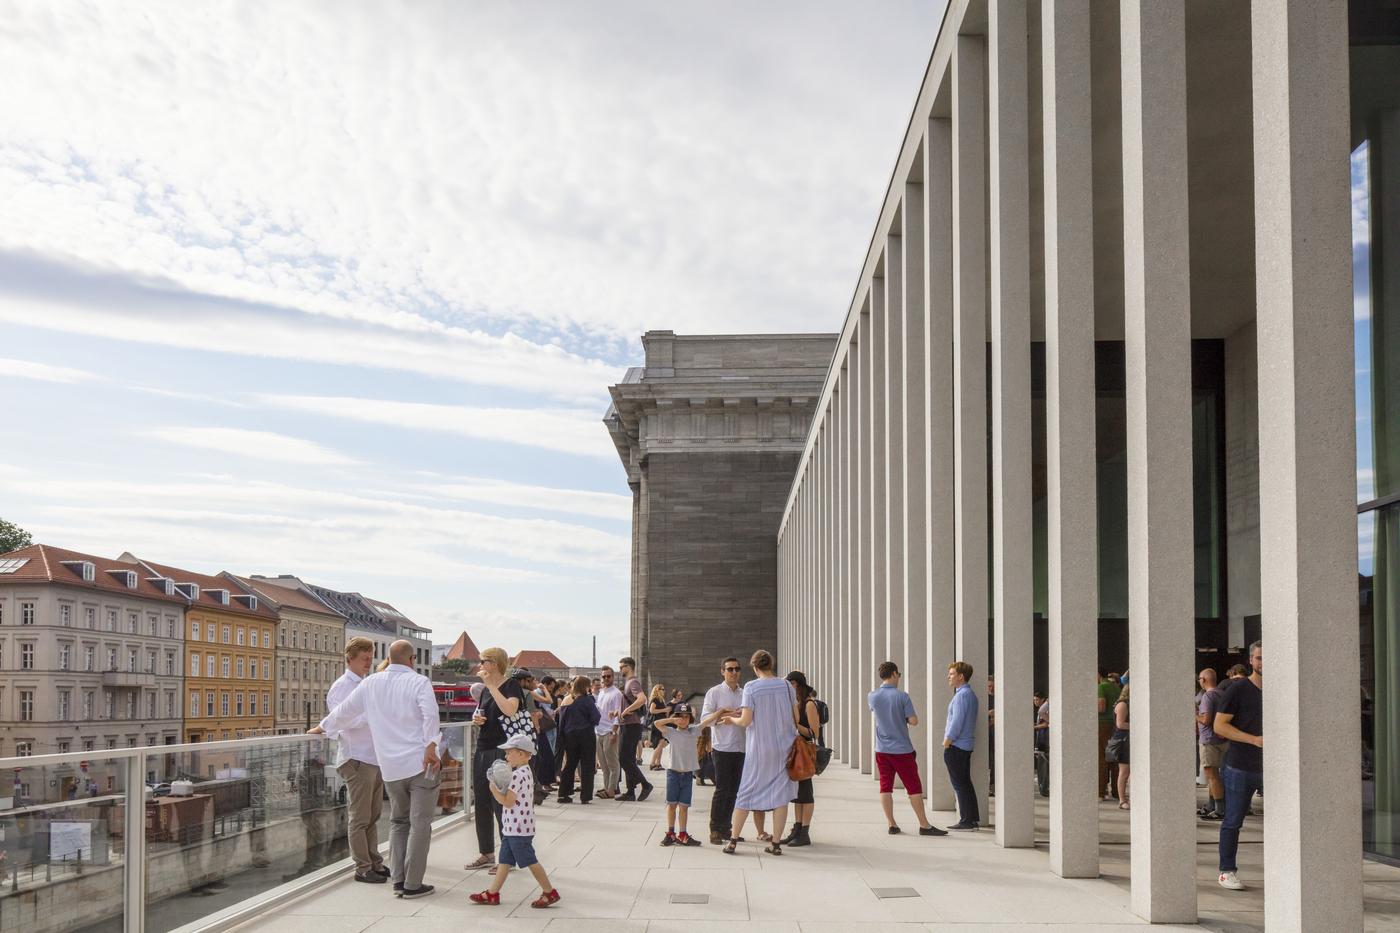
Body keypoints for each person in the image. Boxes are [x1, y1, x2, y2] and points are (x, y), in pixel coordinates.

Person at [313, 640, 440, 899]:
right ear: (412, 659)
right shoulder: (419, 682)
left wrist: (323, 727)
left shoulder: (371, 683)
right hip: (419, 763)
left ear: (388, 658)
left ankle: (398, 881)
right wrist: (431, 745)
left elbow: (343, 712)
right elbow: (431, 715)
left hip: (390, 766)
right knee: (420, 824)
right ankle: (413, 884)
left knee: (398, 822)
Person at [321, 636, 388, 884]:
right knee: (359, 818)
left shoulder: (365, 683)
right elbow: (341, 720)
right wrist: (372, 717)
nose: (368, 663)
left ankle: (375, 862)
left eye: (371, 658)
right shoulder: (342, 687)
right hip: (355, 757)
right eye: (364, 659)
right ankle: (362, 868)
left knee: (372, 816)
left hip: (371, 757)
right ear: (350, 659)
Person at [468, 735, 562, 909]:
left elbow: (508, 801)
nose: (506, 756)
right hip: (515, 828)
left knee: (531, 861)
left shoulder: (518, 775)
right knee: (504, 862)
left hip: (518, 830)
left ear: (521, 754)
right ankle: (492, 893)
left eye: (509, 753)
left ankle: (549, 892)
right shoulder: (526, 772)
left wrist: (494, 790)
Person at [721, 649, 797, 856]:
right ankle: (776, 844)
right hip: (784, 747)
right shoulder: (786, 685)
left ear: (754, 668)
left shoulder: (752, 688)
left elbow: (745, 721)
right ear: (770, 664)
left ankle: (733, 841)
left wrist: (730, 720)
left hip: (759, 748)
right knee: (781, 796)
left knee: (746, 790)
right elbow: (795, 717)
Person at [465, 646, 526, 871]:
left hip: (502, 750)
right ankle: (487, 852)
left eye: (483, 661)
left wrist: (491, 685)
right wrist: (476, 718)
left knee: (501, 803)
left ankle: (507, 858)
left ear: (495, 663)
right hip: (483, 747)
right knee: (481, 801)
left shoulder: (510, 685)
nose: (480, 666)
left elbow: (510, 710)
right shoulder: (484, 691)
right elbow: (483, 712)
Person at [869, 661, 946, 838]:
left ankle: (892, 824)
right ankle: (924, 825)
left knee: (885, 786)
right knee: (913, 787)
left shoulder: (872, 696)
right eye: (899, 675)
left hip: (882, 749)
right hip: (902, 750)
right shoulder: (902, 696)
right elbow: (913, 721)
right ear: (894, 674)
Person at [1214, 641, 1263, 891]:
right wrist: (1254, 739)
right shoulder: (1238, 689)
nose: (1263, 662)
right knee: (1234, 820)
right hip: (1240, 766)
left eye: (1267, 658)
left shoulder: (1284, 688)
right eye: (1259, 658)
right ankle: (1227, 871)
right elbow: (1219, 726)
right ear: (1251, 661)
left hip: (1275, 768)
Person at [701, 656, 747, 844]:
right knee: (721, 789)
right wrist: (727, 714)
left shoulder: (745, 692)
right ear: (722, 671)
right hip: (722, 748)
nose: (734, 672)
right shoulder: (714, 692)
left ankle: (727, 828)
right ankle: (715, 829)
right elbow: (705, 719)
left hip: (741, 747)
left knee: (734, 791)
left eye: (736, 669)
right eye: (730, 669)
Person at [783, 670, 826, 847]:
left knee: (806, 792)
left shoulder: (809, 704)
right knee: (797, 794)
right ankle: (797, 828)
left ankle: (805, 832)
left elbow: (814, 733)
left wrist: (795, 724)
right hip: (796, 752)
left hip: (806, 752)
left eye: (791, 683)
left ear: (797, 684)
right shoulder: (796, 703)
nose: (789, 686)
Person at [653, 703, 704, 846]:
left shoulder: (693, 731)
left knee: (684, 806)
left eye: (686, 717)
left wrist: (721, 712)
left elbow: (706, 722)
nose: (683, 719)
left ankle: (682, 834)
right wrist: (671, 720)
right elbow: (656, 723)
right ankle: (670, 833)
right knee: (672, 805)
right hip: (673, 773)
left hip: (687, 774)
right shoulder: (671, 732)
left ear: (690, 718)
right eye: (680, 717)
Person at [943, 660, 979, 831]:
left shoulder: (962, 696)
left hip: (957, 746)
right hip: (964, 745)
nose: (948, 677)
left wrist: (947, 740)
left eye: (951, 674)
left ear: (961, 677)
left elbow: (957, 722)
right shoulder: (968, 694)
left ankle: (966, 820)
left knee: (960, 784)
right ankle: (971, 818)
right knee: (965, 783)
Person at [613, 657, 654, 801]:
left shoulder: (633, 682)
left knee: (624, 758)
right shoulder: (629, 683)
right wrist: (619, 712)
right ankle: (630, 792)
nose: (620, 670)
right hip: (628, 724)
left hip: (631, 725)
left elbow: (642, 699)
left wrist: (626, 711)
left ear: (629, 667)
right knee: (628, 758)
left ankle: (645, 784)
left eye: (621, 667)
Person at [557, 675, 600, 804]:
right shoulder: (587, 701)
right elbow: (596, 718)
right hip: (586, 735)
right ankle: (585, 795)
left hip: (570, 736)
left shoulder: (566, 701)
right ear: (586, 687)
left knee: (570, 764)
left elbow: (562, 722)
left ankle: (563, 793)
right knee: (587, 765)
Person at [1196, 668, 1228, 821]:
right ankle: (1211, 805)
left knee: (1212, 775)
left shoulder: (1208, 696)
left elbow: (1206, 719)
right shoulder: (1222, 693)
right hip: (1223, 739)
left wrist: (1194, 713)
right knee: (1214, 775)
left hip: (1209, 740)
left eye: (1199, 680)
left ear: (1204, 680)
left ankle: (1219, 809)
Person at [594, 666, 623, 798]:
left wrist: (614, 731)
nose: (606, 678)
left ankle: (612, 789)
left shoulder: (616, 693)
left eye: (608, 676)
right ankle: (607, 787)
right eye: (604, 676)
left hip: (609, 731)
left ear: (613, 677)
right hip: (599, 730)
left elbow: (618, 713)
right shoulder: (601, 692)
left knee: (613, 764)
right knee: (604, 765)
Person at [1098, 671, 1121, 800]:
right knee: (1114, 759)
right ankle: (1116, 792)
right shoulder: (1116, 688)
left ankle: (1100, 792)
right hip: (1114, 725)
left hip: (1102, 725)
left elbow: (1101, 707)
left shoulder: (1101, 687)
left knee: (1101, 758)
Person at [1109, 684, 1131, 809]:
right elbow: (1120, 724)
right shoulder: (1123, 704)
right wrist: (1140, 725)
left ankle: (1130, 797)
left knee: (1131, 772)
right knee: (1124, 771)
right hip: (1123, 740)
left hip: (1129, 739)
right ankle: (1122, 800)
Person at [647, 684, 672, 771]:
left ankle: (658, 763)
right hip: (657, 724)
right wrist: (664, 710)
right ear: (657, 690)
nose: (664, 691)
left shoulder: (662, 700)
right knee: (660, 743)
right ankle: (652, 763)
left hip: (662, 723)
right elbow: (652, 710)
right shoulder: (655, 700)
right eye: (662, 689)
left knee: (661, 744)